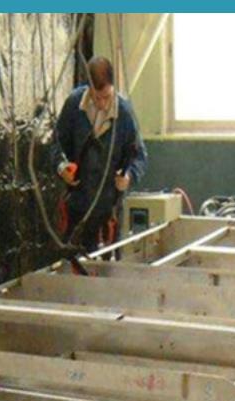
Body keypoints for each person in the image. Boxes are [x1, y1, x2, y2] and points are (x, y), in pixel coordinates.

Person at [52, 55, 147, 254]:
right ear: (88, 89)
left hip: (109, 213)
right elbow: (55, 145)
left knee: (108, 267)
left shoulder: (124, 114)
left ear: (113, 87)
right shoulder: (73, 106)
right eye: (97, 98)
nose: (103, 104)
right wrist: (62, 168)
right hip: (77, 208)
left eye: (107, 97)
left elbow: (140, 156)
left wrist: (129, 177)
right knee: (75, 262)